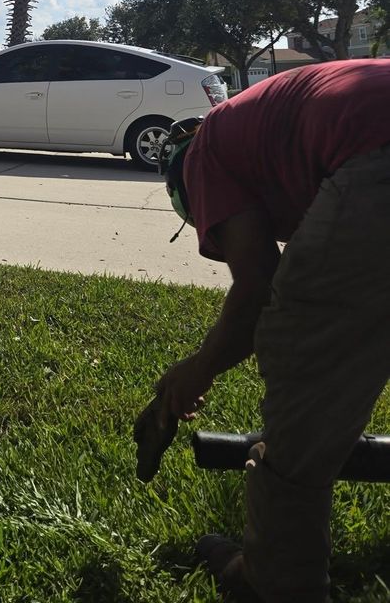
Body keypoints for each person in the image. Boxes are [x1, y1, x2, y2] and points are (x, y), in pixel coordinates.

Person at [154, 60, 390, 602]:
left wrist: (198, 370)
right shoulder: (268, 123)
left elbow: (258, 287)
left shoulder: (205, 154)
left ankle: (273, 580)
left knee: (303, 348)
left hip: (377, 157)